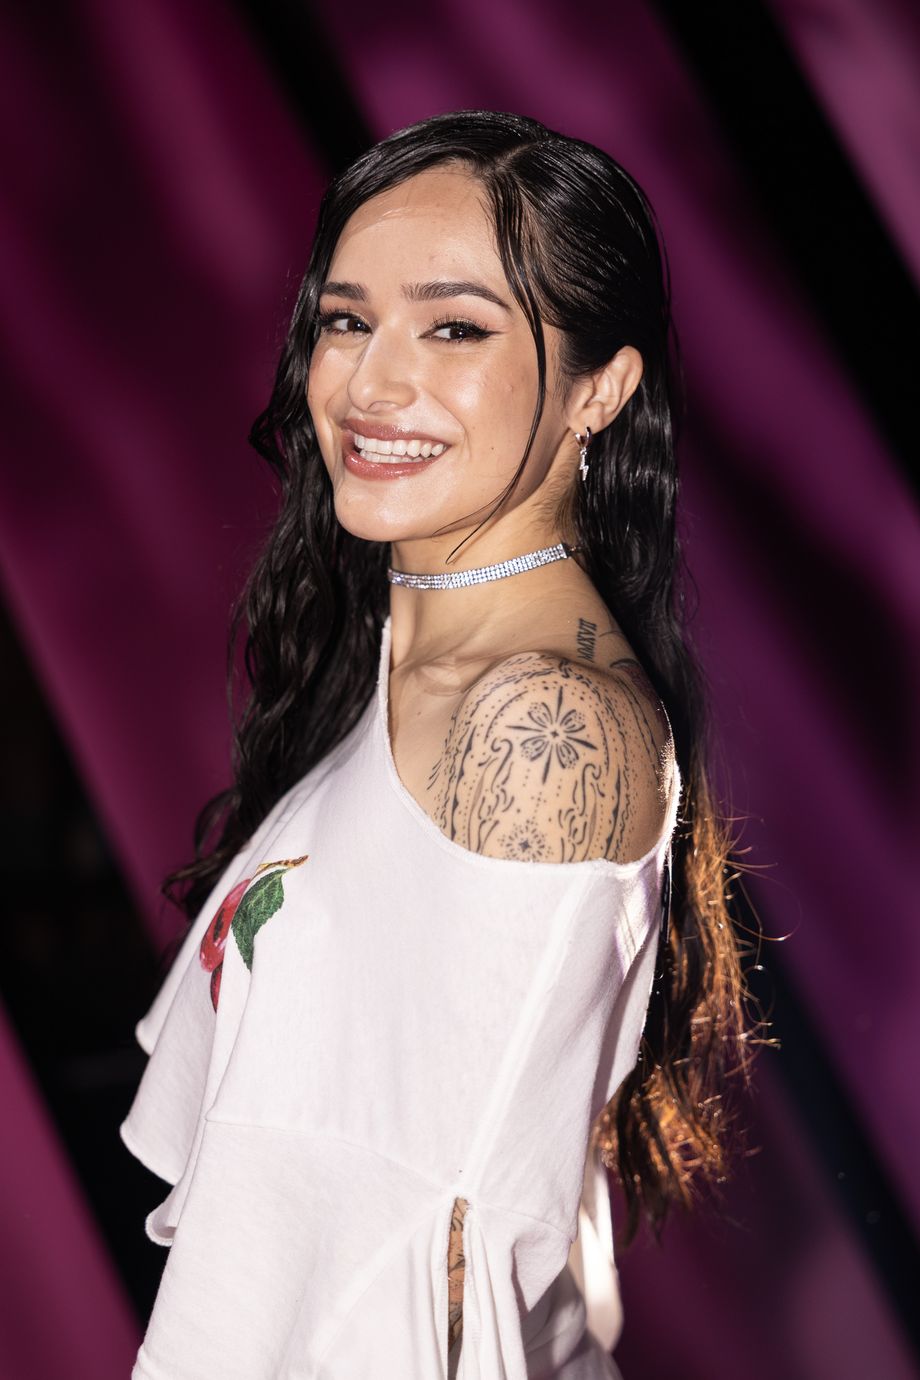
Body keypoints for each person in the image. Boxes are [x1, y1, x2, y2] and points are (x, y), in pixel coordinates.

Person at [121, 110, 758, 1379]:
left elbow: (434, 1276)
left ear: (598, 389)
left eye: (454, 328)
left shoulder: (536, 730)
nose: (369, 384)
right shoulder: (415, 658)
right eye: (346, 320)